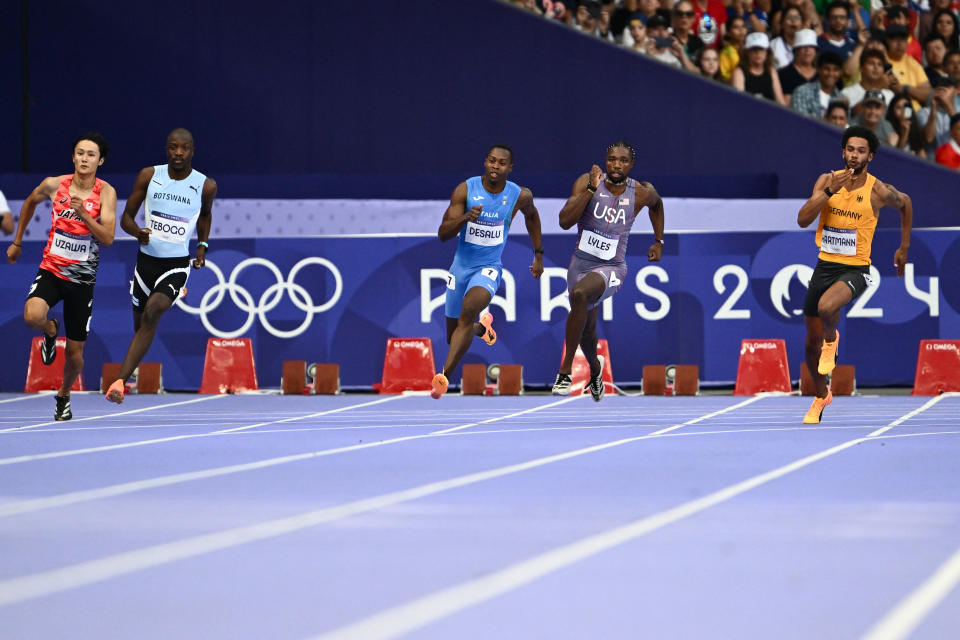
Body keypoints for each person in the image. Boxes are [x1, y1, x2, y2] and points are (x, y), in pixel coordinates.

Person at [796, 125, 912, 424]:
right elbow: (802, 219)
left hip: (856, 268)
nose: (854, 155)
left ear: (869, 156)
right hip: (825, 264)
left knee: (826, 308)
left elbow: (906, 203)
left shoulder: (878, 190)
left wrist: (903, 248)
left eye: (861, 151)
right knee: (810, 343)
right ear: (843, 152)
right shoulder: (826, 180)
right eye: (850, 149)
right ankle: (821, 397)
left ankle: (831, 341)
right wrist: (830, 191)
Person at [6, 133, 117, 420]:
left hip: (82, 281)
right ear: (73, 156)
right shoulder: (55, 185)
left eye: (91, 154)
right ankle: (50, 330)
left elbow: (107, 239)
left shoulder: (106, 193)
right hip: (52, 270)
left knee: (75, 355)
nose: (84, 158)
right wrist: (17, 242)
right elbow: (30, 202)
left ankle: (64, 396)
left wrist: (85, 215)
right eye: (80, 153)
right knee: (32, 316)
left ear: (100, 160)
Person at [104, 128, 217, 404]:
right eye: (173, 148)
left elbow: (204, 216)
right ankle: (131, 367)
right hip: (145, 264)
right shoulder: (149, 175)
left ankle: (119, 381)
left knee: (153, 313)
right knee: (140, 323)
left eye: (184, 148)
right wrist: (137, 232)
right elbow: (126, 218)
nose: (178, 153)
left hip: (176, 264)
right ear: (166, 149)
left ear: (193, 151)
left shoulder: (206, 185)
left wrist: (202, 247)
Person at [551, 141, 664, 401]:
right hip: (580, 264)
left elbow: (657, 206)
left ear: (631, 165)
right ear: (606, 160)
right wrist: (590, 188)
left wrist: (659, 242)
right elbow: (565, 221)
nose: (616, 165)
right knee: (588, 330)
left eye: (623, 160)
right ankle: (595, 370)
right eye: (612, 159)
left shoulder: (642, 192)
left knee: (580, 295)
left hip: (612, 267)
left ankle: (565, 371)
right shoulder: (588, 182)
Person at [430, 144, 543, 400]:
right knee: (454, 335)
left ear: (510, 168)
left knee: (469, 310)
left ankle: (444, 376)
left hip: (489, 268)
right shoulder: (466, 189)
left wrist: (538, 254)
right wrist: (465, 218)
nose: (495, 166)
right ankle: (483, 329)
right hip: (460, 269)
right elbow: (443, 234)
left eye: (501, 163)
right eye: (492, 161)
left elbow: (532, 217)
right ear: (485, 162)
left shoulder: (519, 195)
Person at [917, 50, 960, 159]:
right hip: (934, 165)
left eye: (947, 86)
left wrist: (949, 107)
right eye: (940, 85)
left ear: (956, 91)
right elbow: (928, 138)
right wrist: (934, 109)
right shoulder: (924, 112)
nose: (942, 88)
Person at [732, 31, 788, 105]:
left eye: (761, 49)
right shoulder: (739, 72)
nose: (758, 53)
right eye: (754, 49)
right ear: (747, 52)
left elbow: (780, 102)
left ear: (767, 52)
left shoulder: (771, 71)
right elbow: (738, 102)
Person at [789, 51, 845, 118]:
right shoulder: (802, 92)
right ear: (818, 69)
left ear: (841, 72)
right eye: (826, 69)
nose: (831, 74)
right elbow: (799, 121)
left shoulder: (842, 99)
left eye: (836, 70)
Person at [842, 49, 895, 116]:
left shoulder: (890, 95)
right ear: (861, 68)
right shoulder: (847, 93)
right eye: (871, 63)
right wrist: (877, 89)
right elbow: (852, 116)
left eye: (879, 64)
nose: (876, 67)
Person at [779, 28, 820, 102]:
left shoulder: (821, 74)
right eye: (803, 46)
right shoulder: (784, 74)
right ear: (796, 50)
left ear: (815, 51)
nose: (807, 50)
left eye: (811, 46)